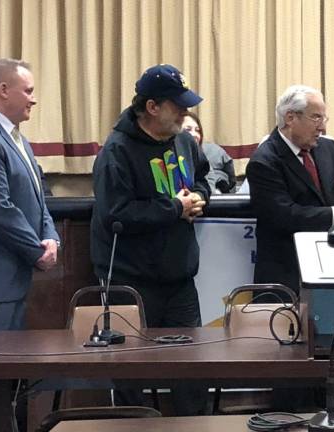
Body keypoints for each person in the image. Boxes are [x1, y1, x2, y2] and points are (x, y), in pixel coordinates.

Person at [90, 63, 210, 415]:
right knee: (131, 372)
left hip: (180, 278)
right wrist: (174, 207)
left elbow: (202, 179)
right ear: (152, 107)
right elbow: (117, 214)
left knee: (192, 369)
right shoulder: (116, 152)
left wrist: (200, 198)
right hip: (132, 280)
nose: (186, 112)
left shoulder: (184, 142)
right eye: (178, 105)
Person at [0, 58, 60, 431]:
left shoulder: (13, 137)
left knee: (1, 383)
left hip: (9, 281)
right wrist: (37, 250)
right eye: (29, 90)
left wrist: (51, 235)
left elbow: (38, 199)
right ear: (3, 90)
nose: (33, 100)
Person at [245, 85, 334, 295]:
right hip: (287, 276)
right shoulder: (264, 161)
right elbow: (285, 216)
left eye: (324, 119)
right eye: (316, 118)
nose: (322, 128)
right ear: (291, 118)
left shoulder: (329, 148)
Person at [182, 111, 237, 193]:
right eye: (188, 129)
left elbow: (208, 190)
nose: (195, 134)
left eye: (197, 130)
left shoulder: (201, 161)